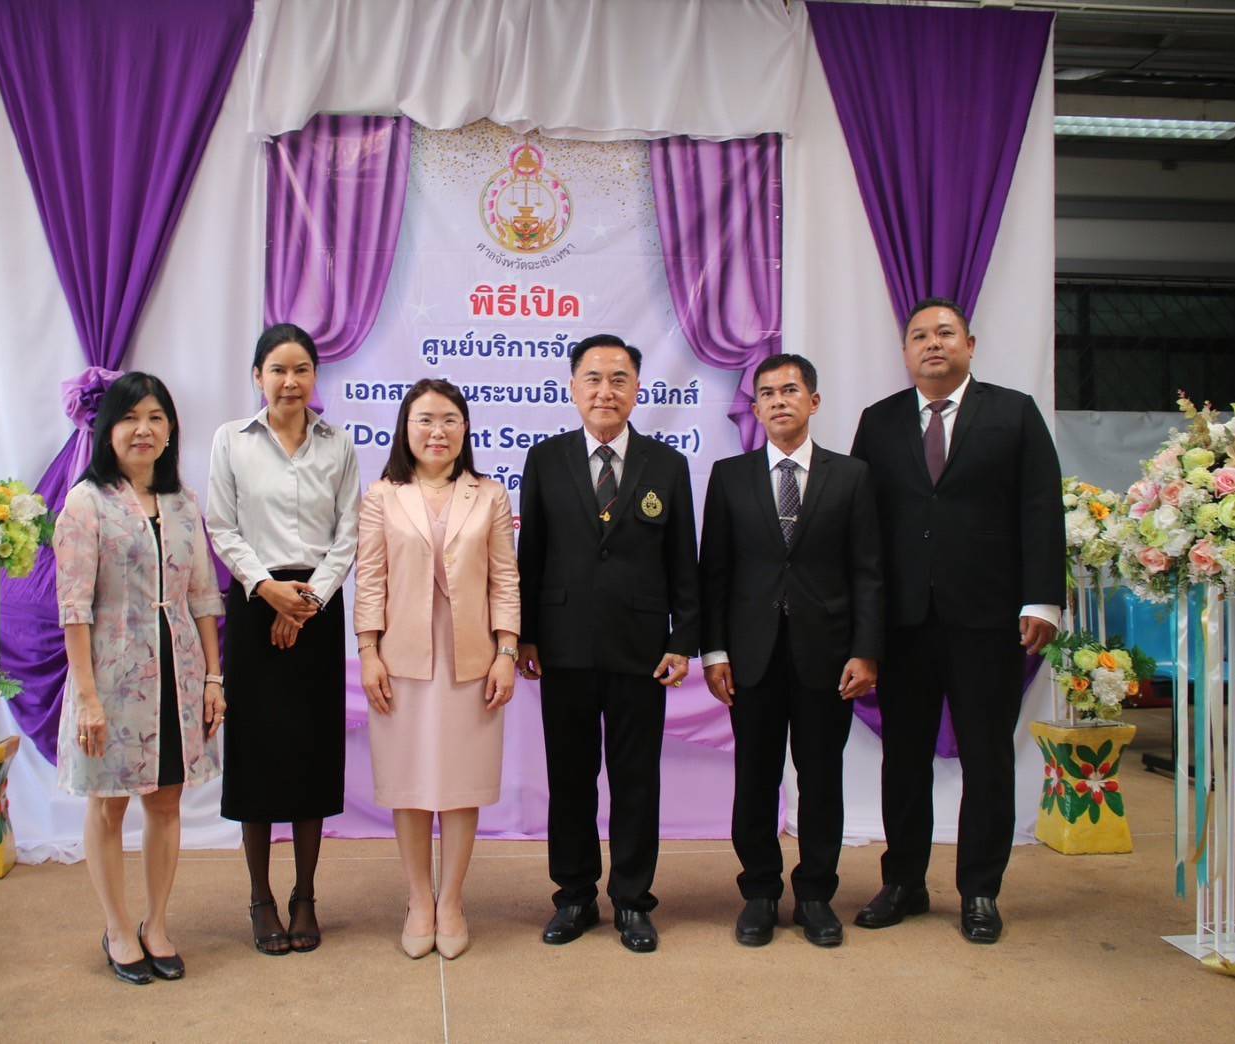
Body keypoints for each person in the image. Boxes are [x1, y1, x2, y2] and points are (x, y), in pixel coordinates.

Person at [849, 298, 1063, 945]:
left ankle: (980, 890)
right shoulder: (880, 421)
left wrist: (1042, 599)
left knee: (988, 757)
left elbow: (1040, 508)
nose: (932, 343)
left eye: (945, 333)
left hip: (988, 620)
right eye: (919, 336)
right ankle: (903, 882)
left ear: (970, 344)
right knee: (904, 759)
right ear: (905, 352)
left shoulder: (1013, 413)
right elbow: (861, 527)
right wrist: (862, 625)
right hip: (904, 624)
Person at [516, 334, 699, 954]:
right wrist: (526, 636)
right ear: (573, 388)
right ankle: (573, 896)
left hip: (641, 650)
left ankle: (632, 900)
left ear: (637, 389)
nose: (605, 390)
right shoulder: (545, 459)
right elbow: (531, 556)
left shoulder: (666, 464)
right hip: (562, 648)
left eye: (619, 379)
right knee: (570, 778)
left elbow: (683, 561)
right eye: (593, 378)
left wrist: (683, 640)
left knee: (635, 779)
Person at [700, 354, 884, 949]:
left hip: (826, 656)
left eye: (790, 390)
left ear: (814, 401)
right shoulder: (729, 476)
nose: (779, 401)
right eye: (767, 393)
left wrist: (866, 650)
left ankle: (815, 896)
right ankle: (759, 892)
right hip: (751, 657)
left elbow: (868, 571)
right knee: (754, 778)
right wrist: (714, 652)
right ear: (755, 408)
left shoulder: (851, 476)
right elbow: (715, 572)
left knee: (821, 778)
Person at [54, 371, 226, 985]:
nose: (143, 429)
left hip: (177, 676)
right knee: (108, 805)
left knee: (167, 800)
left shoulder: (183, 503)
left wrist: (213, 678)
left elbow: (204, 596)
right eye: (130, 418)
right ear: (108, 430)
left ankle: (157, 924)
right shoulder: (87, 503)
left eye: (155, 417)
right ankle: (118, 927)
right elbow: (73, 608)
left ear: (170, 429)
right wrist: (87, 698)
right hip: (110, 676)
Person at [206, 323, 360, 955]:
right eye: (278, 370)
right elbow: (222, 526)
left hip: (317, 609)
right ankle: (260, 898)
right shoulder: (231, 440)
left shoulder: (338, 445)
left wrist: (307, 602)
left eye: (301, 370)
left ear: (315, 376)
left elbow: (348, 534)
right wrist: (268, 590)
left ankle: (305, 897)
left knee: (310, 751)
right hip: (254, 605)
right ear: (258, 377)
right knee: (256, 753)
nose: (290, 382)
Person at [355, 379, 520, 960]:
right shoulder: (382, 496)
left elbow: (505, 578)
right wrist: (368, 651)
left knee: (459, 782)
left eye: (449, 420)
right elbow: (369, 579)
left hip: (471, 657)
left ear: (465, 428)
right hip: (401, 658)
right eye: (424, 420)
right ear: (406, 428)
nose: (437, 432)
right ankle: (418, 899)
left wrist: (506, 651)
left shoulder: (489, 495)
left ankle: (451, 900)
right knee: (409, 781)